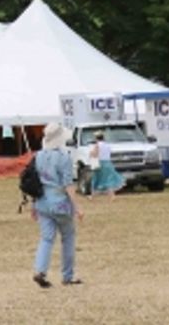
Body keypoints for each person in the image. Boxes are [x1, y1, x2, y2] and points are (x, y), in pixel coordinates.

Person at [31, 122, 84, 288]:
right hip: (60, 203)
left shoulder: (39, 156)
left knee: (46, 239)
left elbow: (35, 183)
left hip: (42, 202)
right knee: (68, 237)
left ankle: (40, 270)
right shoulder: (63, 156)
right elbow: (68, 184)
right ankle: (67, 275)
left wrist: (33, 205)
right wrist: (77, 207)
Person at [90, 132, 124, 199]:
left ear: (96, 138)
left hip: (100, 163)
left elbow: (95, 154)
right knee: (109, 180)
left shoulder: (97, 145)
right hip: (108, 163)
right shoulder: (108, 145)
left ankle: (92, 196)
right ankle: (112, 196)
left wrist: (91, 153)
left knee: (96, 179)